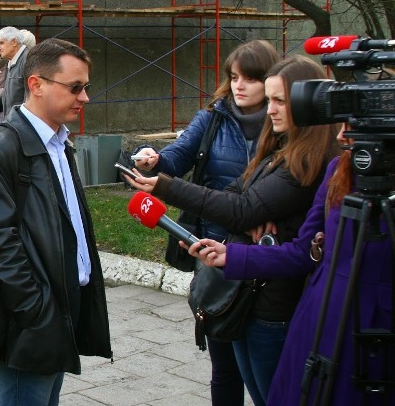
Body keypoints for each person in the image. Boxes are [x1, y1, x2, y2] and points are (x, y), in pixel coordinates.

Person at [126, 55, 341, 406]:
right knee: (232, 378)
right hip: (247, 291)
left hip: (272, 304)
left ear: (308, 102)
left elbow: (242, 209)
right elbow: (237, 196)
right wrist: (246, 214)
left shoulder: (309, 161)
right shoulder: (279, 147)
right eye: (269, 99)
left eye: (279, 100)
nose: (270, 109)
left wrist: (165, 187)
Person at [188, 123, 393, 405]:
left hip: (380, 322)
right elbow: (301, 253)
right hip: (324, 315)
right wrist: (231, 256)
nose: (340, 136)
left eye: (354, 128)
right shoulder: (338, 170)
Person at [131, 39, 279, 406]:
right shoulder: (214, 116)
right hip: (215, 250)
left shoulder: (285, 122)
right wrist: (154, 161)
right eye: (234, 77)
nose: (239, 86)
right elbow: (177, 158)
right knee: (225, 366)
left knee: (265, 368)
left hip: (267, 256)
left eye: (250, 78)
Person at [0, 38, 112, 405]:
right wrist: (35, 307)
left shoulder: (60, 142)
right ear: (36, 84)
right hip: (31, 318)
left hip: (62, 307)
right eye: (75, 88)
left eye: (86, 87)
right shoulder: (0, 146)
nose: (85, 98)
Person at [0, 26, 28, 114]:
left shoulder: (28, 60)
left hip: (21, 124)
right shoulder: (12, 61)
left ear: (14, 42)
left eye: (1, 43)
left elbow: (30, 101)